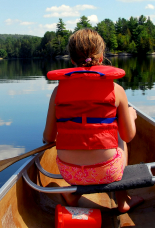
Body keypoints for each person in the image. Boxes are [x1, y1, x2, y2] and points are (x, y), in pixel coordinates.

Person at [43, 28, 144, 213]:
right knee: (120, 139)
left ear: (72, 59)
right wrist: (130, 116)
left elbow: (48, 137)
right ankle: (122, 201)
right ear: (102, 56)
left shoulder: (58, 92)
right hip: (108, 171)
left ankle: (73, 194)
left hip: (69, 173)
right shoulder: (116, 90)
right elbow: (129, 136)